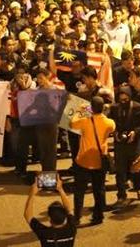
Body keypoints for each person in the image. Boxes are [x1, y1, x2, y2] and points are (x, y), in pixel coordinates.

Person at [70, 95, 115, 226]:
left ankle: (77, 217)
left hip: (83, 160)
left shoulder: (85, 121)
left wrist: (81, 110)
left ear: (91, 108)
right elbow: (111, 128)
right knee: (99, 189)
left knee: (79, 191)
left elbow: (72, 123)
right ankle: (98, 216)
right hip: (99, 160)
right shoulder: (109, 123)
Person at [24, 173, 76, 246]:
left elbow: (28, 215)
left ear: (49, 219)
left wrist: (32, 193)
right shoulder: (71, 229)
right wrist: (60, 189)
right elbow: (69, 209)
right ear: (65, 218)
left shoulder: (44, 233)